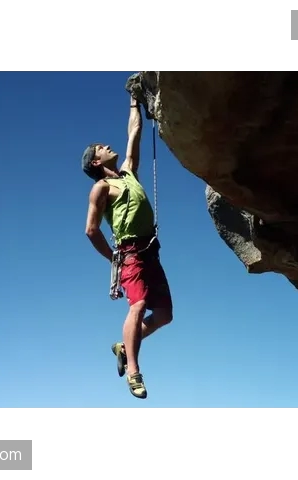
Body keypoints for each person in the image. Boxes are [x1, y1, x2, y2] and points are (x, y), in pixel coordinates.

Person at [81, 93, 173, 399]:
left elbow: (135, 133)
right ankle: (134, 371)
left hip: (151, 252)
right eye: (101, 148)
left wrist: (135, 102)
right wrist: (114, 259)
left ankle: (123, 345)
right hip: (130, 253)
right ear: (96, 162)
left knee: (164, 315)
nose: (107, 146)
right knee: (139, 304)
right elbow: (91, 230)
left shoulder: (128, 173)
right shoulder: (101, 188)